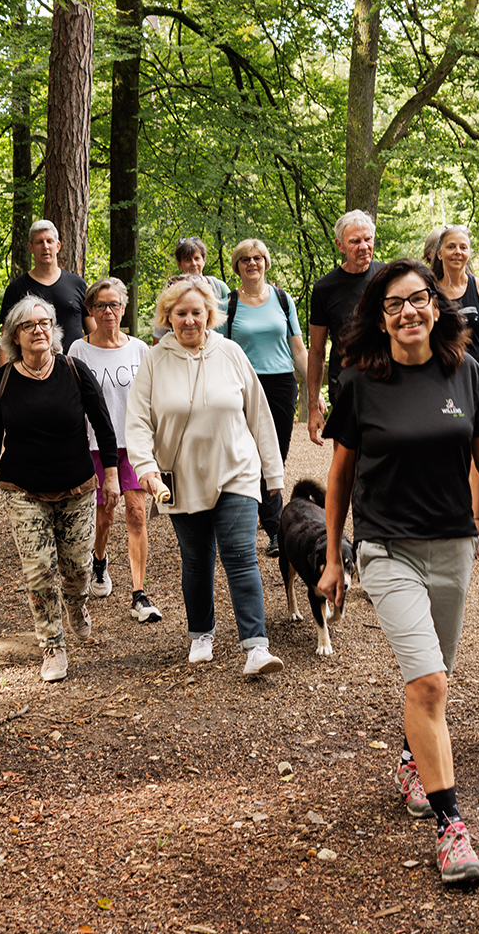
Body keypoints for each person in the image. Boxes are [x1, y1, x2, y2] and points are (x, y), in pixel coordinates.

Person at [317, 258, 479, 888]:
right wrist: (335, 557)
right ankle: (451, 829)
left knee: (432, 679)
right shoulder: (358, 382)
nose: (409, 311)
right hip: (387, 549)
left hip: (451, 547)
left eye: (418, 299)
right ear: (380, 316)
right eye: (394, 304)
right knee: (431, 686)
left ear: (435, 306)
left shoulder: (465, 372)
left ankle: (410, 758)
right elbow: (339, 476)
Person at [125, 275, 287, 678]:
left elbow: (259, 415)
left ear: (209, 314)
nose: (190, 320)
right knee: (197, 560)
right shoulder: (154, 359)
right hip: (180, 477)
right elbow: (138, 421)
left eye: (197, 312)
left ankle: (256, 647)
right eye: (181, 313)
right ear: (168, 316)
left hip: (236, 470)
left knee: (240, 556)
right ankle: (201, 633)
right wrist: (145, 468)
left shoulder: (231, 352)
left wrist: (273, 475)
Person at [0, 296, 120, 683]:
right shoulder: (3, 381)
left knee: (77, 567)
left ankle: (77, 602)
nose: (38, 330)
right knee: (39, 572)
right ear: (15, 336)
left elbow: (104, 426)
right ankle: (53, 646)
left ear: (53, 329)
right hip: (24, 489)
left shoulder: (73, 370)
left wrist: (111, 474)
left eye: (44, 323)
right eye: (28, 325)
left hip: (76, 486)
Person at [67, 278, 163, 622]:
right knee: (104, 515)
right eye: (100, 306)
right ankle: (99, 560)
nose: (108, 312)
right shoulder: (78, 350)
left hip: (134, 443)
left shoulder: (140, 349)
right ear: (90, 311)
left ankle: (139, 593)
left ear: (124, 309)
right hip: (94, 445)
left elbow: (154, 397)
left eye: (115, 305)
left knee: (136, 514)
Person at [223, 238, 308, 557]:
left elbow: (298, 349)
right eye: (245, 258)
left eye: (258, 258)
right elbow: (219, 351)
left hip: (282, 385)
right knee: (250, 455)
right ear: (237, 265)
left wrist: (313, 393)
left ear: (266, 263)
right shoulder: (228, 304)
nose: (252, 263)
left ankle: (267, 517)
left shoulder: (283, 300)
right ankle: (275, 529)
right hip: (243, 385)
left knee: (276, 454)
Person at [427, 223, 479, 556]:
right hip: (443, 379)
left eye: (463, 247)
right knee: (448, 448)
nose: (458, 253)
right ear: (439, 253)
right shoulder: (428, 290)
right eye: (451, 247)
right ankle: (449, 513)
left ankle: (475, 516)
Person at [305, 210, 385, 445]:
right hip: (345, 384)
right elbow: (317, 351)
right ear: (340, 245)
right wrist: (312, 407)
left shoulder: (388, 277)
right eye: (355, 241)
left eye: (368, 239)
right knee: (347, 460)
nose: (363, 246)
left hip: (386, 378)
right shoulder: (324, 288)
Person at [0, 220, 91, 359]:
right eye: (39, 242)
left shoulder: (77, 284)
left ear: (58, 245)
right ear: (30, 247)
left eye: (49, 241)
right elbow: (6, 340)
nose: (45, 246)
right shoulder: (17, 289)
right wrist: (4, 378)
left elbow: (94, 334)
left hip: (74, 369)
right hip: (32, 372)